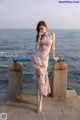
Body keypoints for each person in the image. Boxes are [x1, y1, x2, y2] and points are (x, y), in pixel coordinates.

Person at [31, 21, 58, 112]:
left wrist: (54, 57)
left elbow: (53, 47)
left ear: (46, 27)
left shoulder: (52, 34)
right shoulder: (39, 36)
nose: (40, 29)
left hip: (44, 62)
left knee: (42, 82)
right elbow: (36, 48)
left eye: (42, 27)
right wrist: (39, 36)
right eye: (39, 28)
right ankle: (39, 102)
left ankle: (40, 101)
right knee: (38, 81)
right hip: (36, 59)